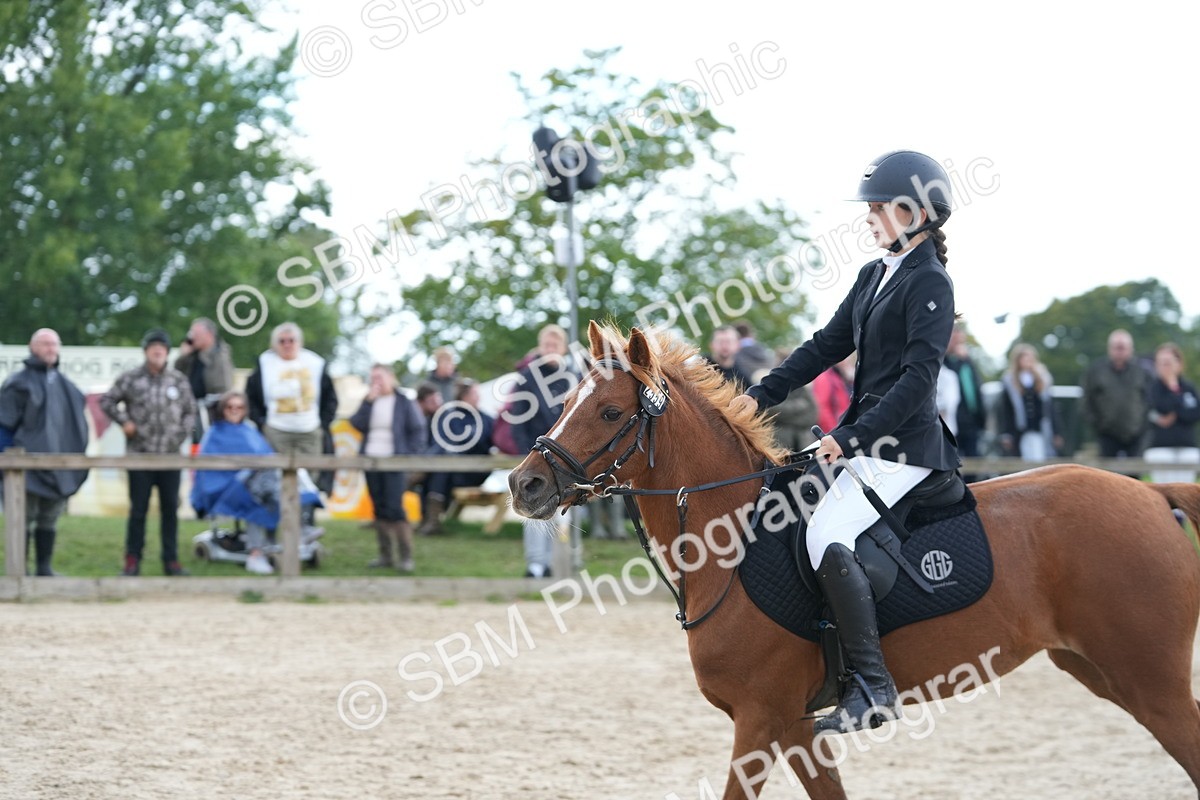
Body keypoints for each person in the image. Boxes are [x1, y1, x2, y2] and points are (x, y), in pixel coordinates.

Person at [730, 150, 958, 734]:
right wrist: (757, 396)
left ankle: (873, 687)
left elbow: (918, 380)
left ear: (916, 211)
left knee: (826, 530)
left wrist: (850, 435)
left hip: (904, 447)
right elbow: (823, 346)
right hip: (866, 444)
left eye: (879, 207)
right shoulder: (873, 275)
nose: (870, 217)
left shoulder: (930, 280)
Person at [190, 391, 321, 575]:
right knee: (261, 491)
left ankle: (282, 536)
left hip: (255, 483)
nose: (235, 410)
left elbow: (266, 457)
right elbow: (207, 472)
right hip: (225, 487)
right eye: (230, 407)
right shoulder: (214, 435)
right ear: (223, 409)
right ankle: (276, 542)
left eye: (239, 407)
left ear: (245, 409)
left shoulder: (249, 431)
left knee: (277, 478)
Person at [101, 328, 197, 576]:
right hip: (140, 455)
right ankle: (132, 561)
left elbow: (190, 412)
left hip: (170, 457)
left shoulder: (178, 380)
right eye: (153, 347)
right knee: (138, 511)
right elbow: (108, 401)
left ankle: (171, 561)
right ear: (146, 351)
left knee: (170, 511)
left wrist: (179, 436)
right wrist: (125, 423)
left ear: (167, 352)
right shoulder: (131, 378)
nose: (157, 351)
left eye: (162, 348)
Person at [0, 328, 90, 576]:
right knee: (22, 517)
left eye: (54, 344)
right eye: (45, 344)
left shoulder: (68, 387)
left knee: (49, 518)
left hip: (59, 466)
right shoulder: (17, 384)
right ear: (32, 347)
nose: (50, 349)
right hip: (25, 468)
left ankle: (44, 569)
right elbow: (4, 426)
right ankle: (20, 571)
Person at [245, 322, 338, 527]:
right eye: (282, 341)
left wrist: (322, 424)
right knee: (275, 479)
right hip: (276, 430)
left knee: (308, 481)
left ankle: (306, 528)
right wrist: (262, 423)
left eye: (291, 340)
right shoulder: (265, 363)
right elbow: (250, 397)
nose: (287, 345)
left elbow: (331, 398)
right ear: (275, 344)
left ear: (299, 342)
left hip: (309, 431)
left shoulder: (315, 363)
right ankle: (279, 528)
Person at [511, 324, 578, 577]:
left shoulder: (573, 376)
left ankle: (556, 563)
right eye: (547, 345)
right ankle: (536, 564)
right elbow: (517, 419)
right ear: (540, 347)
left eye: (555, 345)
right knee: (533, 508)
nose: (551, 350)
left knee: (563, 511)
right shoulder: (528, 378)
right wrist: (526, 455)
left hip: (565, 456)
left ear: (562, 349)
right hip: (535, 454)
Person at [349, 365, 427, 571]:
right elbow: (356, 423)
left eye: (380, 377)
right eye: (373, 377)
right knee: (379, 507)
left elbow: (418, 430)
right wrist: (367, 402)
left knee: (395, 508)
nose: (377, 381)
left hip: (395, 462)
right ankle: (386, 556)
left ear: (391, 378)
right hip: (371, 460)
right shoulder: (369, 401)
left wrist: (408, 457)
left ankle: (406, 556)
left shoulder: (403, 401)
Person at [416, 378, 495, 536]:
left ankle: (431, 520)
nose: (478, 397)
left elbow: (482, 443)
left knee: (438, 470)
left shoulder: (486, 419)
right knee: (438, 471)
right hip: (452, 470)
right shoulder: (450, 416)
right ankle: (429, 521)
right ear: (465, 396)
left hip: (474, 471)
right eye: (475, 393)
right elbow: (444, 442)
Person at [1082, 329, 1148, 459]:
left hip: (1136, 434)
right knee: (1106, 475)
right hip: (1106, 434)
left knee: (1133, 476)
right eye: (1117, 347)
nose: (1120, 351)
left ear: (1131, 349)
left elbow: (1149, 400)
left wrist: (1142, 426)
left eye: (1123, 347)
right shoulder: (1096, 371)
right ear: (1109, 348)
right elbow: (1087, 402)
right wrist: (1098, 425)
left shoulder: (1142, 372)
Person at [1144, 343, 1200, 484]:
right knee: (1165, 488)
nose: (1165, 367)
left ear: (1179, 363)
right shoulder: (1152, 388)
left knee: (1185, 487)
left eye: (1168, 363)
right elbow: (1159, 408)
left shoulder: (1189, 387)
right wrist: (1179, 407)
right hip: (1160, 446)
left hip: (1187, 446)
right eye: (1161, 363)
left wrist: (1174, 388)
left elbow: (1194, 414)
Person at [173, 317, 235, 443]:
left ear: (209, 334)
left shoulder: (220, 354)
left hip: (211, 412)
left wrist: (203, 355)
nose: (191, 337)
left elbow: (222, 385)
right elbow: (176, 374)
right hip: (190, 409)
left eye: (196, 333)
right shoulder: (191, 354)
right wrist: (183, 356)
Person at [997, 343, 1062, 461]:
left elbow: (1049, 407)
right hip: (1020, 430)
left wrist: (1056, 431)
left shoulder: (1042, 379)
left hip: (1040, 428)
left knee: (1040, 458)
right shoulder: (1010, 382)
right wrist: (1006, 433)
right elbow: (1005, 411)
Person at [941, 325, 986, 466]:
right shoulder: (944, 362)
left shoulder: (967, 362)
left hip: (971, 420)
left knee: (974, 460)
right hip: (953, 420)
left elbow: (976, 390)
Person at [810, 354, 855, 434]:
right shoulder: (824, 378)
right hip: (834, 431)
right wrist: (834, 433)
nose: (847, 361)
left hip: (842, 428)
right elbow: (822, 409)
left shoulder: (839, 376)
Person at [704, 325, 752, 389]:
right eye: (720, 342)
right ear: (711, 345)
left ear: (737, 345)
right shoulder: (700, 368)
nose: (724, 346)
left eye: (729, 341)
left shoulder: (742, 376)